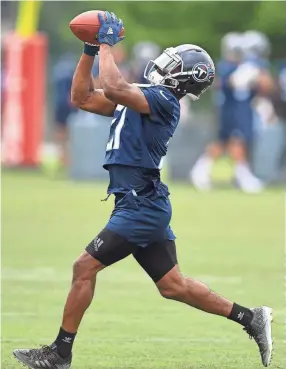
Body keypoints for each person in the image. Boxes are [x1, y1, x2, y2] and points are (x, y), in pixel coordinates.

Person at [13, 13, 273, 369]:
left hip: (140, 205)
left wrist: (106, 44)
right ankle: (251, 318)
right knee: (173, 286)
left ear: (183, 76)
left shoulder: (164, 100)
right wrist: (91, 49)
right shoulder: (142, 96)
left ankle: (60, 353)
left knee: (83, 267)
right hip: (141, 201)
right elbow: (83, 97)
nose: (163, 64)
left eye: (174, 63)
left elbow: (116, 88)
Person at [191, 32, 273, 193]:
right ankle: (241, 176)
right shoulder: (227, 67)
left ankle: (208, 171)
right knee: (234, 142)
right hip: (231, 110)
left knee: (227, 143)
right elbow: (231, 83)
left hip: (241, 110)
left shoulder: (248, 66)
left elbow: (264, 87)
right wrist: (249, 72)